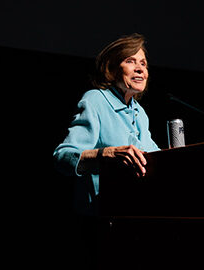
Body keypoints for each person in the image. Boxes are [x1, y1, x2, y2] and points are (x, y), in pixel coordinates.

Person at [53, 33, 160, 214]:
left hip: (136, 212)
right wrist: (106, 154)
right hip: (99, 217)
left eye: (143, 63)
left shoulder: (140, 112)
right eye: (130, 61)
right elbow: (62, 157)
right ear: (112, 68)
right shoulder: (95, 101)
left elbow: (157, 157)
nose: (140, 69)